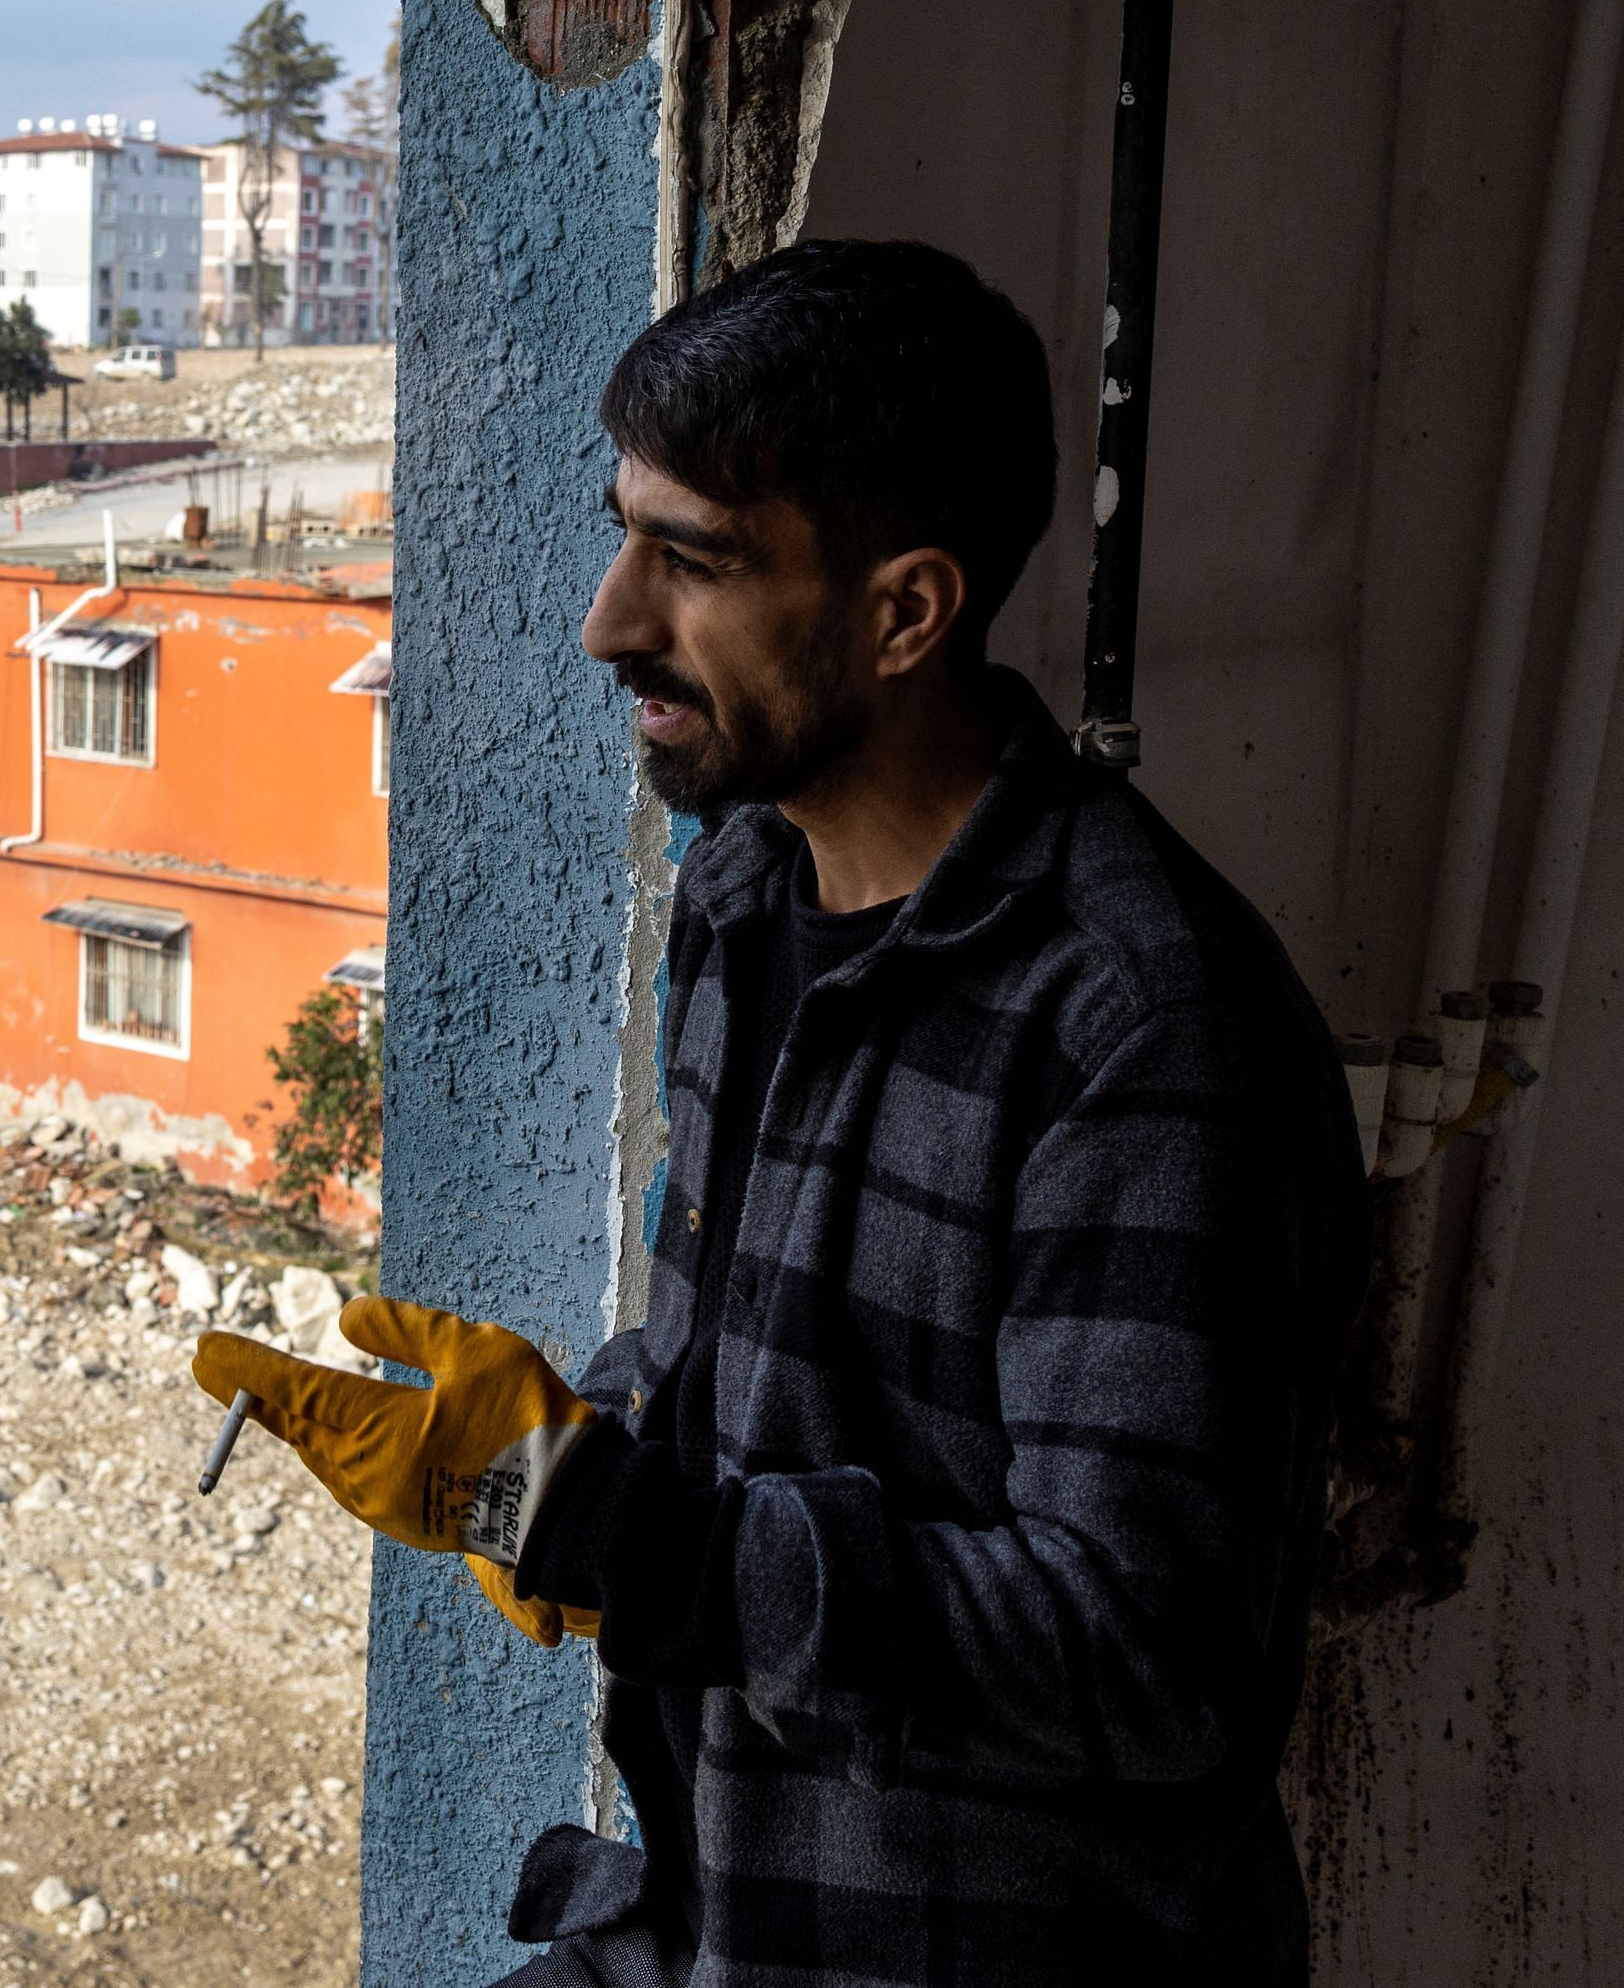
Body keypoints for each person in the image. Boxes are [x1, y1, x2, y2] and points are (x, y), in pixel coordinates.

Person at [199, 240, 1365, 1986]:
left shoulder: (1141, 1031)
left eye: (697, 561)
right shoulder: (750, 894)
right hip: (719, 1923)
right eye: (626, 533)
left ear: (906, 611)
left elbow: (1146, 1652)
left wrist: (630, 1540)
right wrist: (530, 1475)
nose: (611, 619)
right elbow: (759, 1401)